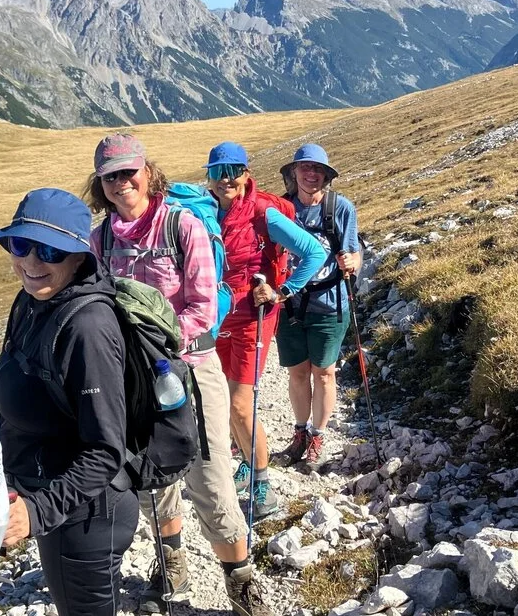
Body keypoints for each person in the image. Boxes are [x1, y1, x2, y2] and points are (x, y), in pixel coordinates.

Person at [85, 134, 273, 616]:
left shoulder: (181, 225)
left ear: (147, 172)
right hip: (134, 381)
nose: (121, 183)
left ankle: (241, 583)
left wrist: (153, 347)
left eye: (128, 172)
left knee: (210, 478)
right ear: (100, 183)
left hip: (190, 370)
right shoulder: (100, 239)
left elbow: (203, 308)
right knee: (153, 477)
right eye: (110, 176)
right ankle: (171, 565)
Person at [0, 188, 135, 616]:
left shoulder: (87, 328)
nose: (32, 262)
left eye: (51, 250)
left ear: (78, 258)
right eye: (21, 245)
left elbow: (106, 450)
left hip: (87, 516)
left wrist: (36, 513)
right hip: (54, 499)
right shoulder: (31, 300)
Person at [206, 141, 326, 519]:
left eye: (233, 171)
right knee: (224, 400)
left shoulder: (264, 214)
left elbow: (314, 253)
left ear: (246, 173)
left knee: (240, 404)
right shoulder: (204, 210)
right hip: (218, 319)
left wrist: (282, 291)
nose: (225, 179)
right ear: (209, 176)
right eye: (217, 172)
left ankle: (263, 485)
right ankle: (246, 460)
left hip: (253, 319)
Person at [273, 144, 362, 471]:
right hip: (289, 306)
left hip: (330, 304)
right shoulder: (281, 209)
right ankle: (300, 433)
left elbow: (354, 253)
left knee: (324, 373)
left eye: (318, 169)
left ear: (326, 175)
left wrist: (353, 263)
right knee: (298, 372)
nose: (311, 174)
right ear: (294, 172)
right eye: (305, 168)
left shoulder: (341, 208)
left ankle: (318, 437)